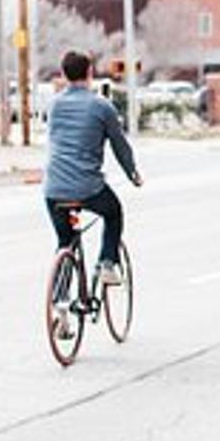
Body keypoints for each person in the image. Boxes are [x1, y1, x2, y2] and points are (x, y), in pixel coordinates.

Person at [43, 50, 142, 283]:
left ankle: (60, 302)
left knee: (64, 242)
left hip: (53, 189)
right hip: (88, 188)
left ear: (63, 74)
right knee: (113, 212)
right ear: (90, 72)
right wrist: (132, 173)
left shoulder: (54, 105)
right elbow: (120, 145)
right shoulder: (102, 107)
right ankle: (107, 263)